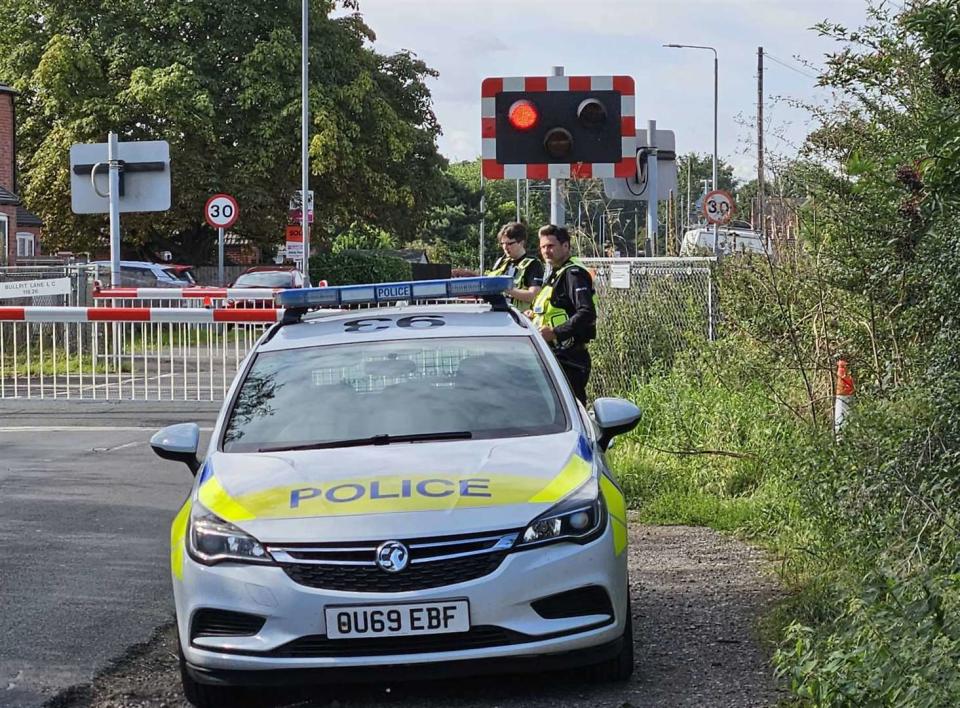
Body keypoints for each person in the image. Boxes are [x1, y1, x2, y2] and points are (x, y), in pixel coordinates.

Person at [528, 224, 597, 405]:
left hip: (569, 357)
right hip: (555, 354)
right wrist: (532, 316)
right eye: (543, 247)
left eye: (551, 246)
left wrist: (556, 333)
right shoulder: (556, 272)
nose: (546, 251)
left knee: (572, 410)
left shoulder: (573, 273)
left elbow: (587, 313)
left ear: (565, 246)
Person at [485, 222, 544, 309]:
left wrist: (506, 289)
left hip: (521, 317)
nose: (505, 247)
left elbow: (533, 295)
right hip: (499, 314)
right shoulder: (502, 263)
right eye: (502, 244)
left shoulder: (533, 264)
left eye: (509, 244)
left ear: (521, 243)